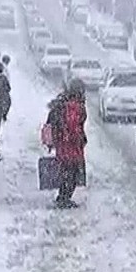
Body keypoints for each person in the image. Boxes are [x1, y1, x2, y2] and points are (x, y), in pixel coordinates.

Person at [45, 78, 87, 208]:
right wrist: (80, 138)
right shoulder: (74, 105)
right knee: (71, 173)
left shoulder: (63, 102)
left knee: (66, 171)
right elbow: (73, 126)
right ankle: (64, 198)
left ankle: (62, 197)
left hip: (62, 143)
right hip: (70, 145)